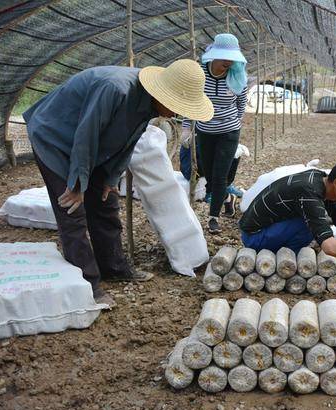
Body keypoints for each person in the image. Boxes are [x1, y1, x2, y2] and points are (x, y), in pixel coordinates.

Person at [23, 59, 214, 307]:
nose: (177, 113)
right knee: (72, 211)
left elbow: (129, 141)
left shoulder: (149, 105)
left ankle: (113, 267)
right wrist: (78, 184)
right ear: (163, 93)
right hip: (55, 137)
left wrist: (111, 178)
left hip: (91, 144)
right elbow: (86, 134)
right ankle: (88, 286)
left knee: (106, 202)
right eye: (177, 105)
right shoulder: (115, 89)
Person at [239, 156, 336, 277]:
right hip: (254, 237)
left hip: (268, 228)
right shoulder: (308, 193)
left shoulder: (321, 181)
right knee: (312, 224)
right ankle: (282, 258)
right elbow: (329, 246)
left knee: (318, 222)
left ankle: (287, 250)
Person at [182, 33, 248, 233]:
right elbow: (191, 101)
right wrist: (186, 128)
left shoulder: (237, 75)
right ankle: (227, 198)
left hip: (229, 131)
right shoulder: (200, 74)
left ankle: (213, 218)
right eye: (223, 62)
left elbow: (241, 104)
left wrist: (233, 122)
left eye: (230, 63)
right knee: (209, 175)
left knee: (220, 175)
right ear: (214, 57)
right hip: (204, 130)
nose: (227, 66)